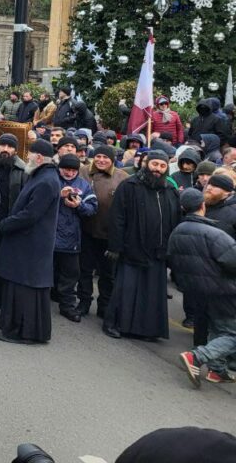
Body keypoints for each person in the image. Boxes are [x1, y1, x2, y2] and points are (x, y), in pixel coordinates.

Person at [103, 149, 181, 341]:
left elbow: (175, 220)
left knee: (152, 293)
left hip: (158, 252)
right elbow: (117, 218)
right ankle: (116, 324)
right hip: (133, 248)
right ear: (146, 164)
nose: (158, 169)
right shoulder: (129, 186)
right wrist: (115, 246)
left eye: (162, 166)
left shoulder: (170, 190)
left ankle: (147, 331)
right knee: (126, 290)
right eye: (155, 164)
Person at [0, 139, 60, 344]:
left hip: (31, 244)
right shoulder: (42, 175)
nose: (27, 158)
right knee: (22, 286)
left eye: (30, 154)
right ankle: (18, 329)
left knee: (27, 289)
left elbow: (31, 214)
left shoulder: (47, 180)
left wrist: (6, 224)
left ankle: (25, 332)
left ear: (39, 157)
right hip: (28, 243)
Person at [170, 188, 236, 387]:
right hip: (223, 290)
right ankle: (196, 357)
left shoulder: (176, 232)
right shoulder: (213, 233)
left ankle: (217, 371)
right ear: (202, 206)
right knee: (232, 334)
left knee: (218, 328)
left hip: (197, 290)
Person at [78, 144, 128, 318]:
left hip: (109, 234)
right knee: (84, 270)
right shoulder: (83, 171)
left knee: (108, 274)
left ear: (112, 160)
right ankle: (83, 302)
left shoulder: (122, 177)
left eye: (105, 158)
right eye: (98, 157)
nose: (101, 160)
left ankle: (104, 306)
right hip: (86, 230)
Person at [0, 133, 27, 316]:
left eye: (10, 147)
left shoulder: (22, 170)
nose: (5, 150)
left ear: (16, 150)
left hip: (8, 226)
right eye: (3, 146)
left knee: (4, 267)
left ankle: (2, 302)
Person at [52, 153, 97, 322]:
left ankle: (67, 306)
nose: (69, 173)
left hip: (71, 239)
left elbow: (92, 209)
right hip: (49, 236)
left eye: (73, 170)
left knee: (70, 276)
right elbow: (37, 201)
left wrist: (79, 205)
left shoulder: (84, 185)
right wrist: (58, 196)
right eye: (66, 169)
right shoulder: (51, 179)